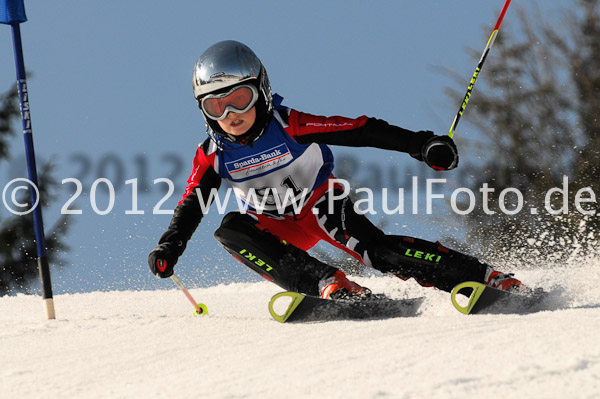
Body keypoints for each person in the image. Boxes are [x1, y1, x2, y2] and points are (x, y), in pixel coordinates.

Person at [148, 40, 523, 300]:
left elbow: (360, 129)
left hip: (322, 207)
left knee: (379, 252)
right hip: (276, 227)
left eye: (239, 100)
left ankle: (482, 277)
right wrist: (170, 246)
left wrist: (422, 144)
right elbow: (192, 204)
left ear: (261, 91)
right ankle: (328, 284)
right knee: (230, 229)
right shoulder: (214, 153)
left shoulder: (288, 124)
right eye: (216, 107)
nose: (231, 116)